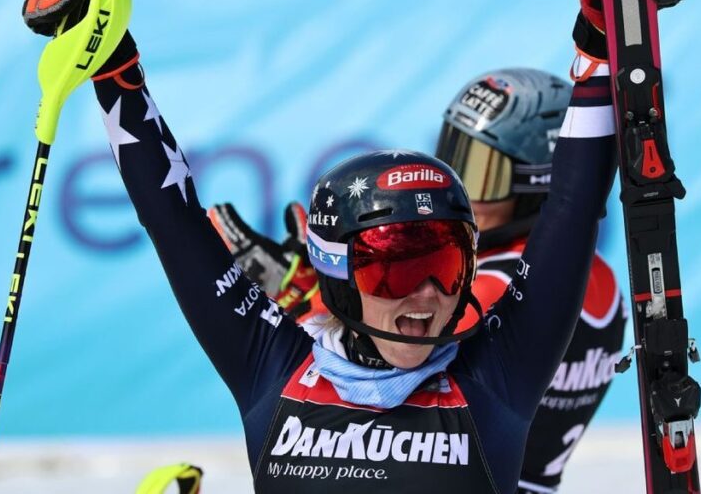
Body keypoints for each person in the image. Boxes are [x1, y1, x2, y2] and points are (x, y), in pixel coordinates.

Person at [22, 0, 634, 493]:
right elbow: (170, 216)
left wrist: (597, 44)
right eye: (392, 271)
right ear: (337, 276)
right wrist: (113, 65)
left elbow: (573, 209)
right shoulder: (272, 365)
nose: (425, 296)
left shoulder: (496, 379)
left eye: (446, 267)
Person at [212, 70, 625, 494]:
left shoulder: (501, 278)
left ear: (539, 181)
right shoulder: (596, 278)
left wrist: (312, 296)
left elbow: (399, 349)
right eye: (455, 155)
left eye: (484, 172)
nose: (463, 192)